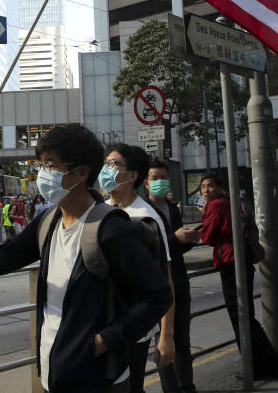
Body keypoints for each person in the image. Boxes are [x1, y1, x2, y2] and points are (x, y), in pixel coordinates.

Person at [0, 125, 172, 392]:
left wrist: (101, 342)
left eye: (51, 165)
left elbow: (158, 296)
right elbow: (0, 260)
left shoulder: (110, 228)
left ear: (81, 173)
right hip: (52, 376)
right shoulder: (48, 221)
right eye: (40, 165)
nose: (42, 174)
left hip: (97, 382)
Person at [200, 172, 278, 380]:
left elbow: (208, 236)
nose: (206, 190)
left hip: (230, 261)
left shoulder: (215, 206)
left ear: (220, 187)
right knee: (246, 316)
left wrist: (204, 214)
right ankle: (267, 365)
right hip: (241, 260)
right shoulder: (230, 201)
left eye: (210, 186)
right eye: (203, 187)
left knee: (240, 317)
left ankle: (260, 367)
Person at [102, 144, 176, 393]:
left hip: (134, 330)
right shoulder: (100, 211)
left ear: (133, 176)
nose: (106, 169)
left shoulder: (147, 217)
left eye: (113, 164)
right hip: (104, 325)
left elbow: (164, 280)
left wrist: (166, 335)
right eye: (105, 163)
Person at [145, 159, 200, 393]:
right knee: (164, 340)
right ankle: (171, 388)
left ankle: (187, 385)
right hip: (157, 283)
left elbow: (175, 248)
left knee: (183, 339)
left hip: (179, 279)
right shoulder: (144, 212)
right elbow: (150, 248)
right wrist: (175, 238)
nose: (159, 182)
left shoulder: (173, 208)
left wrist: (188, 239)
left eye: (163, 178)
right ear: (146, 183)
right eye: (155, 178)